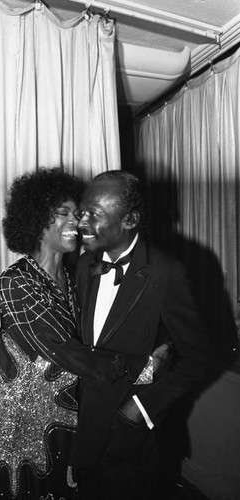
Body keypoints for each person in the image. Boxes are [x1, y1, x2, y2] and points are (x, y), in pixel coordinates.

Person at [0, 168, 164, 500]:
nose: (74, 222)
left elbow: (87, 338)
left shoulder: (77, 276)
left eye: (76, 215)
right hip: (22, 422)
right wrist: (141, 367)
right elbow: (62, 349)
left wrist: (3, 341)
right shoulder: (15, 280)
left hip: (69, 414)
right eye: (62, 213)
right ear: (36, 220)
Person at [73, 170, 210, 500]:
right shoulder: (83, 264)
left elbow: (199, 358)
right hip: (85, 431)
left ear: (130, 219)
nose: (81, 224)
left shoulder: (169, 272)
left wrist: (139, 410)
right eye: (83, 212)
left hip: (135, 444)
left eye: (95, 214)